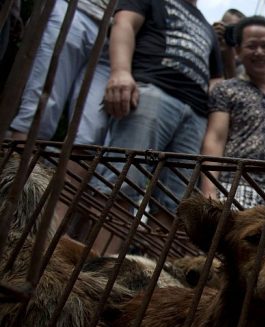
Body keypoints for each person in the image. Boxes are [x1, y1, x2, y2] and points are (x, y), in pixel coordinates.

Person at [96, 0, 222, 253]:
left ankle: (147, 273)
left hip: (196, 113)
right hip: (153, 89)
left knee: (173, 202)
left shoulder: (207, 28)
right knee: (123, 179)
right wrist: (120, 71)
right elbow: (124, 24)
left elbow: (217, 79)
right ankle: (98, 266)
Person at [200, 15, 265, 210]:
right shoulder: (226, 89)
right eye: (252, 46)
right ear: (237, 51)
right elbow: (215, 139)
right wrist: (209, 191)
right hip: (233, 187)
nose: (259, 52)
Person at [9, 0, 110, 147]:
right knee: (38, 114)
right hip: (74, 10)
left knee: (89, 136)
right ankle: (18, 169)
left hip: (120, 32)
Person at [212, 8, 245, 79]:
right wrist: (210, 36)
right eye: (228, 28)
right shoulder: (207, 44)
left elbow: (234, 88)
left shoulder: (243, 65)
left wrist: (229, 61)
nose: (231, 34)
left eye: (236, 32)